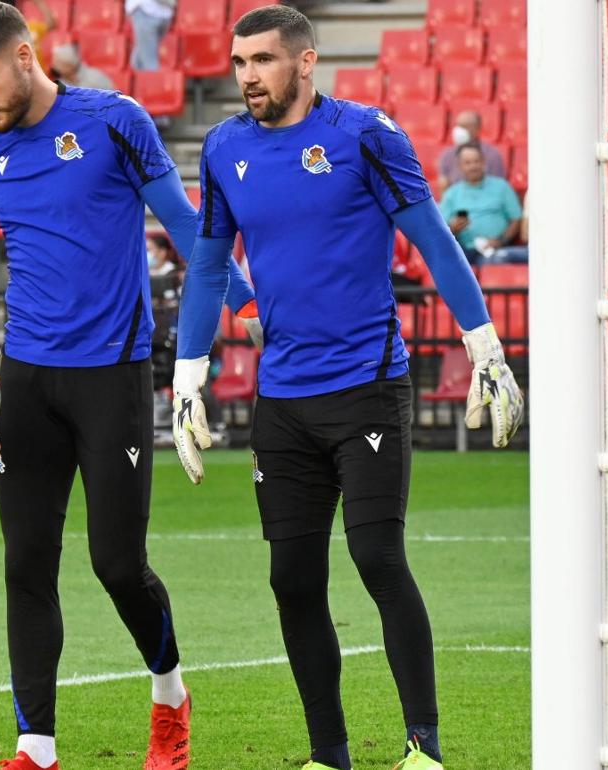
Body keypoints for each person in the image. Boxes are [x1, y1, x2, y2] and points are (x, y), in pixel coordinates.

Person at [0, 4, 260, 768]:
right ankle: (35, 747)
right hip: (28, 383)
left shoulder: (115, 121)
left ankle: (169, 695)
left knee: (115, 565)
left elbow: (184, 221)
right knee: (25, 562)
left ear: (25, 55)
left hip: (113, 377)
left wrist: (244, 301)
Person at [169, 7, 523, 770]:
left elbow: (431, 235)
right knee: (291, 579)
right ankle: (329, 756)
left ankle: (423, 748)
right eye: (237, 61)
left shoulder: (368, 134)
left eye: (262, 60)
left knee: (376, 558)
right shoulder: (225, 146)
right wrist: (188, 373)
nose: (246, 76)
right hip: (284, 401)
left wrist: (482, 339)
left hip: (367, 387)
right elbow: (208, 263)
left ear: (305, 63)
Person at [439, 144, 523, 266]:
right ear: (460, 166)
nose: (473, 166)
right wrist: (453, 228)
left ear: (483, 162)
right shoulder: (452, 194)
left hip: (495, 249)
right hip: (463, 250)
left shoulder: (502, 187)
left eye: (476, 161)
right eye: (467, 163)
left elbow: (516, 219)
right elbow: (441, 230)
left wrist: (500, 241)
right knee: (448, 261)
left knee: (497, 260)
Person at [436, 110, 505, 192]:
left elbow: (498, 187)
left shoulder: (492, 155)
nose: (458, 130)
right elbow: (444, 186)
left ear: (477, 129)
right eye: (457, 125)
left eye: (464, 126)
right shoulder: (447, 155)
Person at [127, 0, 175, 71]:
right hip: (149, 10)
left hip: (155, 12)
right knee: (144, 61)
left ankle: (150, 81)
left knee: (145, 61)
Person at [51, 43, 115, 90]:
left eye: (59, 63)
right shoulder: (60, 84)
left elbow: (113, 98)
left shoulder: (95, 77)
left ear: (70, 66)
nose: (54, 66)